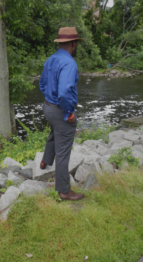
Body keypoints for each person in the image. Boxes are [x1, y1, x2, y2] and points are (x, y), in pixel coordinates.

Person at [39, 27, 84, 201]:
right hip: (60, 110)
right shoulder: (70, 63)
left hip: (47, 107)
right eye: (76, 44)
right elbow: (65, 92)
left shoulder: (51, 59)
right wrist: (69, 113)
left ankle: (45, 161)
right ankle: (64, 190)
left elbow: (42, 83)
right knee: (64, 151)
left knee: (55, 131)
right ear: (73, 43)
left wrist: (49, 99)